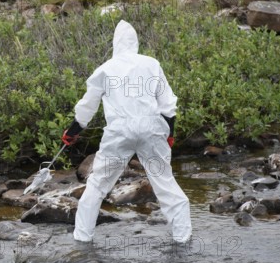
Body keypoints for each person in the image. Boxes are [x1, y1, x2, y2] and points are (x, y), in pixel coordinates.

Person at [62, 20, 192, 244]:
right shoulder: (152, 64)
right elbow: (168, 105)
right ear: (136, 43)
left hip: (119, 133)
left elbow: (87, 106)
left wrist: (73, 131)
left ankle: (82, 239)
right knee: (165, 182)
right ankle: (183, 238)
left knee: (98, 185)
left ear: (115, 43)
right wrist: (169, 134)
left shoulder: (105, 69)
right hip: (151, 130)